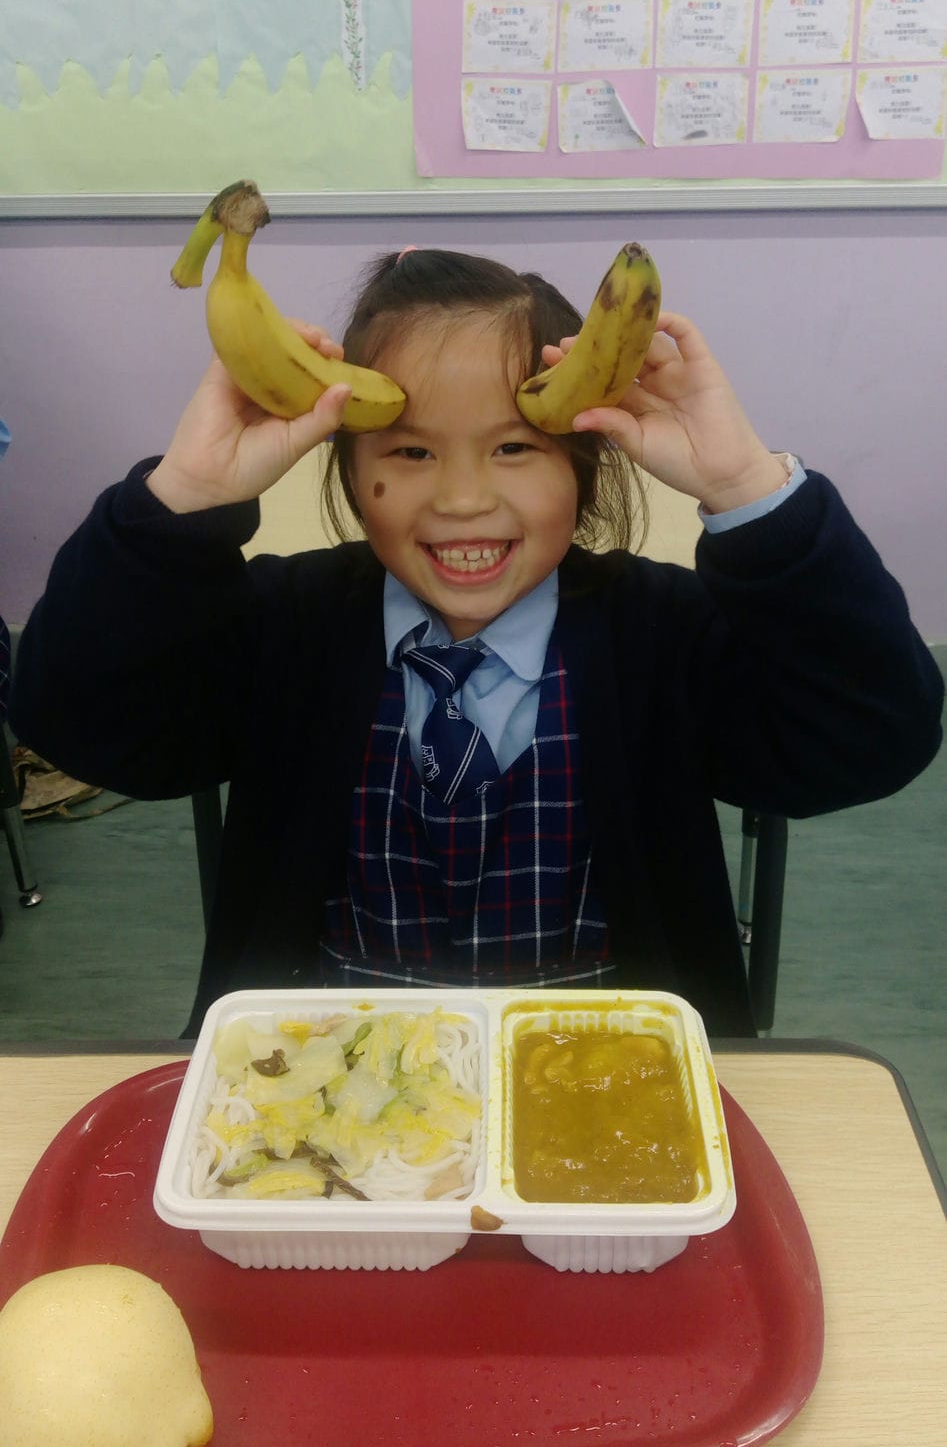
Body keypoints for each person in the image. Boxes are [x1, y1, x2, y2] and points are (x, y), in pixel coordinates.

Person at [10, 250, 943, 1037]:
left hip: (611, 1067)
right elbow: (79, 720)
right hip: (320, 1066)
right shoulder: (281, 627)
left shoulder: (661, 633)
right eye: (411, 453)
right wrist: (179, 504)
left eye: (514, 449)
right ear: (350, 468)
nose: (462, 500)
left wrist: (746, 490)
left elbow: (870, 736)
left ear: (584, 465)